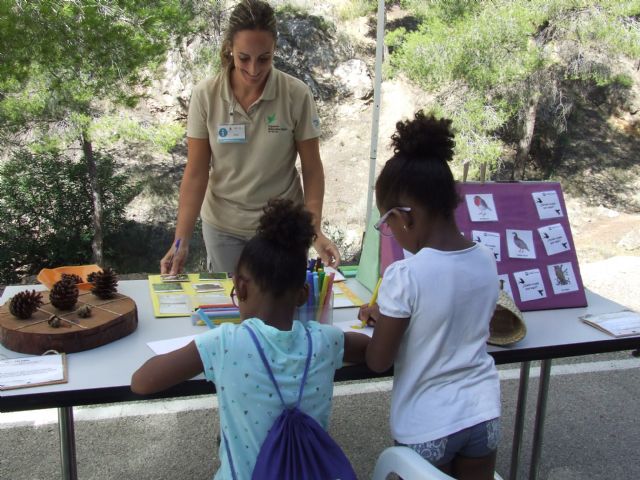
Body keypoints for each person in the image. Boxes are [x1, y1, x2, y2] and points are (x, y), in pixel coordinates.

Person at [133, 199, 366, 479]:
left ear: (240, 288)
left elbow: (142, 381)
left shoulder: (224, 343)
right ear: (303, 295)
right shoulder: (327, 341)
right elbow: (370, 349)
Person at [358, 112, 501, 480]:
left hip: (427, 425)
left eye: (386, 223)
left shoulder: (405, 274)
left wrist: (380, 327)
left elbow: (378, 361)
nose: (391, 232)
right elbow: (449, 314)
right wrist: (391, 316)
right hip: (483, 415)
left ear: (406, 216)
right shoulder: (486, 259)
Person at [160, 0, 340, 276]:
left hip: (282, 227)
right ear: (230, 47)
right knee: (230, 308)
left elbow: (313, 169)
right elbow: (196, 172)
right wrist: (180, 240)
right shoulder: (205, 95)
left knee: (280, 309)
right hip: (223, 228)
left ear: (274, 51)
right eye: (244, 57)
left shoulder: (296, 94)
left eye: (264, 58)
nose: (254, 69)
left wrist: (314, 230)